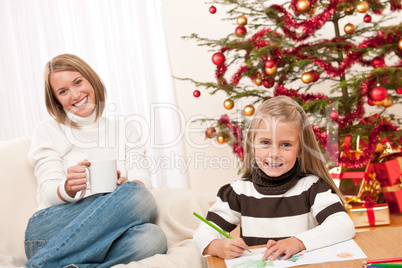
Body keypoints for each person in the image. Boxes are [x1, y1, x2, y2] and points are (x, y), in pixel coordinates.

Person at [24, 53, 167, 268]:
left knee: (153, 238)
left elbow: (141, 176)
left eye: (78, 82)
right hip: (49, 230)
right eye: (63, 91)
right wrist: (68, 187)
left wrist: (126, 186)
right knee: (137, 196)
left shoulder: (123, 128)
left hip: (103, 233)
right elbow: (47, 192)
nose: (75, 94)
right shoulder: (48, 130)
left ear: (91, 79)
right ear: (56, 100)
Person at [193, 95, 355, 261]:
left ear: (300, 150)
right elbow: (203, 233)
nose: (274, 153)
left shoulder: (313, 187)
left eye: (286, 145)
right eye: (265, 142)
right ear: (252, 144)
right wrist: (216, 246)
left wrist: (298, 242)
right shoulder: (238, 192)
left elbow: (343, 225)